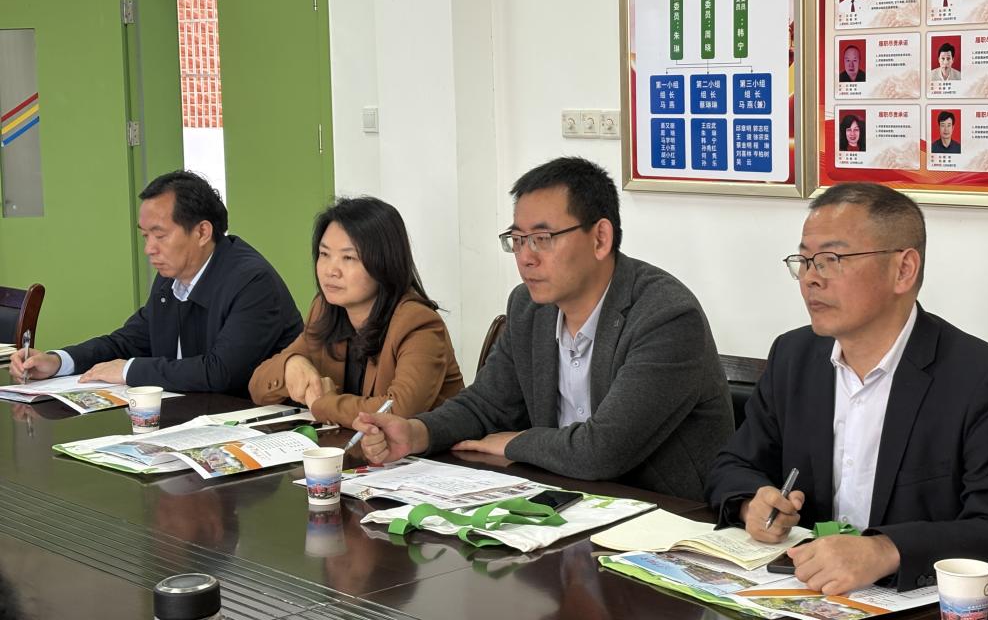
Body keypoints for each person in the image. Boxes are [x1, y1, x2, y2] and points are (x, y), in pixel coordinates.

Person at [706, 183, 988, 594]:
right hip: (803, 591)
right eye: (804, 261)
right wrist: (752, 502)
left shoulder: (983, 380)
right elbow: (731, 464)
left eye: (831, 260)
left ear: (903, 269)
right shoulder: (793, 356)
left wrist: (886, 550)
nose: (810, 279)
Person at [353, 157, 734, 499]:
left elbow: (603, 451)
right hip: (563, 501)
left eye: (541, 239)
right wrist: (417, 432)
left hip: (664, 517)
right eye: (517, 240)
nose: (525, 257)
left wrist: (516, 443)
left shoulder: (665, 316)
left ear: (600, 238)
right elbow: (488, 404)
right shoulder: (529, 307)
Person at [10, 170, 303, 394]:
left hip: (256, 427)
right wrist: (58, 361)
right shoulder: (171, 278)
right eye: (145, 236)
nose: (149, 248)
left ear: (202, 232)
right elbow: (129, 340)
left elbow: (221, 372)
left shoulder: (252, 282)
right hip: (193, 417)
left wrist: (129, 371)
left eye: (160, 235)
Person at [248, 196, 464, 427]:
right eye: (324, 254)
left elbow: (397, 410)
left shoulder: (418, 322)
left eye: (349, 258)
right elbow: (257, 387)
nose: (331, 270)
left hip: (430, 449)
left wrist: (322, 403)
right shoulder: (325, 309)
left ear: (383, 263)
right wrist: (291, 365)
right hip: (354, 444)